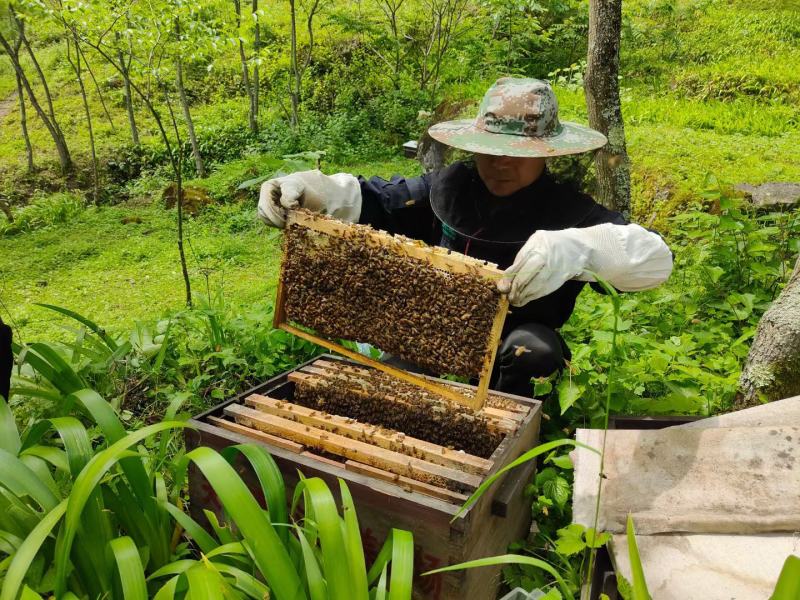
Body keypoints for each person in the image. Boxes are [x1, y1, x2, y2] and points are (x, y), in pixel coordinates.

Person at [257, 77, 672, 397]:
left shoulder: (572, 210)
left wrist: (583, 248)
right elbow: (383, 200)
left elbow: (654, 259)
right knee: (393, 387)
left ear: (547, 152)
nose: (500, 164)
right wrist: (321, 191)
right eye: (490, 149)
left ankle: (512, 455)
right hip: (434, 333)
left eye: (517, 152)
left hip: (515, 343)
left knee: (535, 351)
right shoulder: (451, 186)